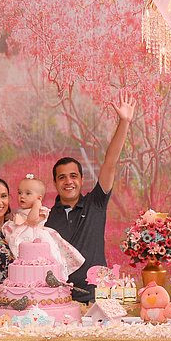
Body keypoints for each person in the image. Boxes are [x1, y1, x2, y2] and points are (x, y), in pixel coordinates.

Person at [46, 97, 136, 301]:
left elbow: (110, 162)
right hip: (60, 300)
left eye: (73, 176)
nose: (68, 182)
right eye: (62, 177)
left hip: (98, 297)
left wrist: (124, 122)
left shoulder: (95, 203)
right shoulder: (46, 219)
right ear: (55, 183)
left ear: (81, 179)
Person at [2, 174, 86, 281]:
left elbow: (32, 221)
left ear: (39, 198)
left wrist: (36, 205)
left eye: (28, 193)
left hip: (36, 237)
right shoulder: (19, 211)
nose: (22, 196)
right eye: (19, 192)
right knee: (22, 261)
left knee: (46, 260)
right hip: (22, 235)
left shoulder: (42, 210)